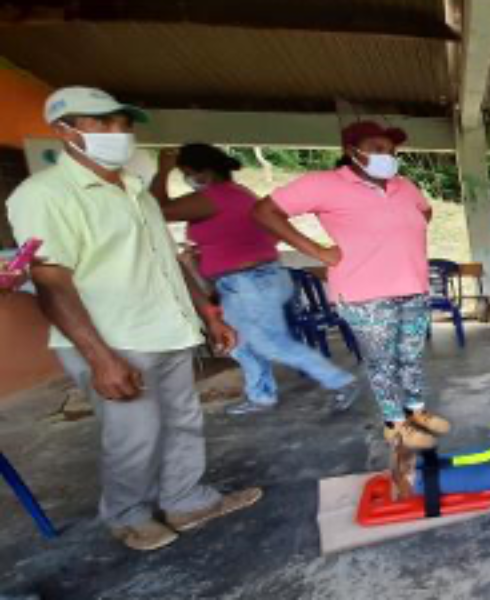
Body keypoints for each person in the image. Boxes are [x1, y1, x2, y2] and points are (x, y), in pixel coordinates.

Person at [8, 87, 261, 552]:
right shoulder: (44, 194)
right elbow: (51, 281)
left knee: (184, 421)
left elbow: (165, 259)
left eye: (122, 123)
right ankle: (127, 515)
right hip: (114, 337)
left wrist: (206, 312)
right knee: (134, 436)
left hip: (167, 329)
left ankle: (187, 499)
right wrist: (99, 357)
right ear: (64, 131)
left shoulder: (134, 191)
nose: (116, 133)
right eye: (100, 123)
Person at [252, 121, 451, 451]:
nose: (386, 155)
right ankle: (395, 425)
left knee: (411, 357)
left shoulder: (405, 186)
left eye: (391, 150)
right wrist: (316, 251)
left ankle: (416, 412)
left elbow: (424, 213)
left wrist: (394, 234)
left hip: (413, 287)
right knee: (382, 362)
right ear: (351, 151)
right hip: (365, 294)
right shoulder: (324, 184)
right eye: (376, 148)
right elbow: (264, 211)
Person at [149, 143, 362, 416]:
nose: (186, 178)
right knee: (240, 343)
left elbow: (155, 209)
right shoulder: (238, 195)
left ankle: (342, 382)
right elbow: (261, 236)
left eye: (186, 172)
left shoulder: (215, 197)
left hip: (248, 283)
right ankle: (260, 395)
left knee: (271, 343)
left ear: (203, 171)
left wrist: (163, 169)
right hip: (254, 280)